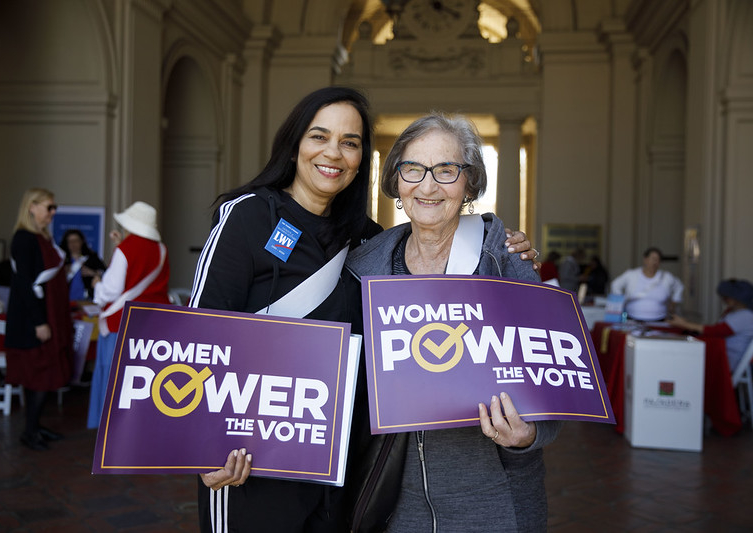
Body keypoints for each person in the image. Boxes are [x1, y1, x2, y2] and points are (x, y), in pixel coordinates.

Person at [187, 87, 539, 533]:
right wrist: (199, 447)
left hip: (340, 465)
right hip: (250, 458)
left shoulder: (367, 241)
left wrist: (511, 248)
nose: (333, 152)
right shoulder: (248, 218)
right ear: (295, 143)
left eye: (350, 142)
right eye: (319, 136)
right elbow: (198, 338)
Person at [345, 113, 562, 532]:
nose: (427, 186)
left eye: (446, 170)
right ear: (396, 180)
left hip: (493, 501)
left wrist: (528, 437)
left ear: (469, 183)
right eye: (413, 169)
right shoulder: (361, 270)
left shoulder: (507, 262)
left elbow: (553, 390)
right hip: (394, 500)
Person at [87, 201, 170, 429]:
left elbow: (111, 290)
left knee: (115, 379)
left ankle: (111, 430)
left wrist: (96, 285)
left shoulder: (125, 249)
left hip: (121, 322)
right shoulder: (161, 249)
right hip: (154, 323)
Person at [4, 188, 73, 451]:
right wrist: (39, 322)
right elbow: (24, 284)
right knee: (38, 375)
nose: (53, 212)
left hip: (49, 314)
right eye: (49, 207)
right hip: (34, 319)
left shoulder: (43, 238)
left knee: (45, 375)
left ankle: (35, 426)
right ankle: (29, 432)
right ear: (31, 207)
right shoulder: (24, 238)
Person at [668, 279, 753, 371]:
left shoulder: (746, 315)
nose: (724, 299)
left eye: (727, 297)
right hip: (722, 353)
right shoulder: (733, 312)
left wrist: (685, 324)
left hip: (728, 358)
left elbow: (718, 331)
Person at [610, 247, 684, 322]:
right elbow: (615, 285)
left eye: (658, 260)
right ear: (645, 259)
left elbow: (679, 286)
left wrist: (674, 301)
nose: (655, 262)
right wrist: (621, 301)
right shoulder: (631, 275)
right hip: (632, 319)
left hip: (660, 320)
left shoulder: (666, 277)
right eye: (653, 259)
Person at [59, 229, 106, 301]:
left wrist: (93, 273)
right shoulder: (61, 259)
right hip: (65, 300)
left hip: (87, 300)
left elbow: (105, 273)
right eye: (70, 241)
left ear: (81, 241)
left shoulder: (91, 257)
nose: (73, 244)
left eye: (76, 241)